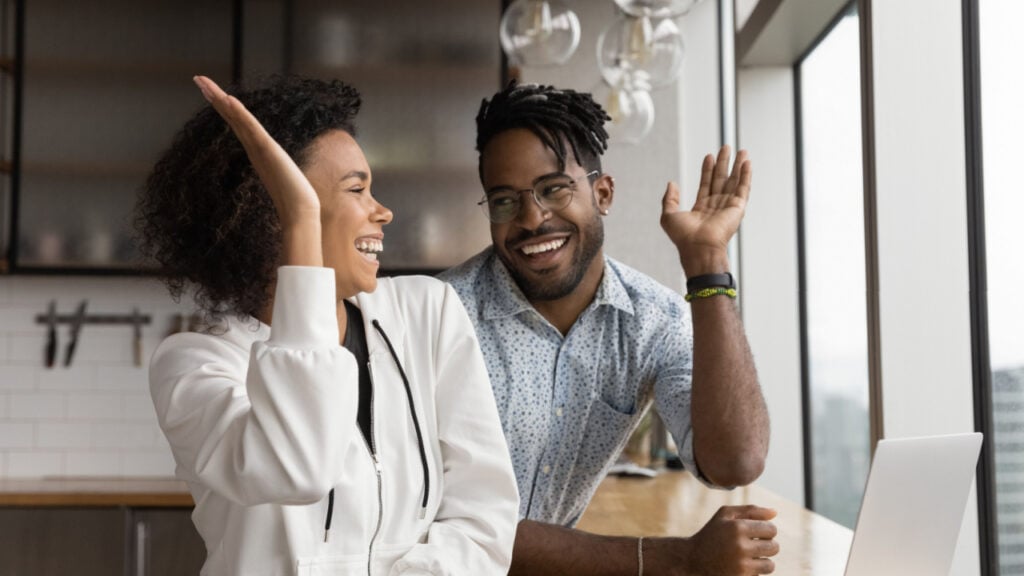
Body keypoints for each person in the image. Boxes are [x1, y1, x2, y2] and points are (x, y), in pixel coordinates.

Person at [136, 75, 519, 576]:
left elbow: (484, 516)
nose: (382, 211)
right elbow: (297, 469)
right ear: (272, 217)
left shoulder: (429, 313)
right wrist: (299, 218)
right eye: (357, 189)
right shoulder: (194, 365)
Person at [439, 82, 777, 575]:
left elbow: (736, 463)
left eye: (554, 189)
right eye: (505, 201)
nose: (532, 218)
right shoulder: (444, 316)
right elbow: (454, 527)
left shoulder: (652, 322)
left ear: (602, 193)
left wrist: (707, 265)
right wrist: (677, 559)